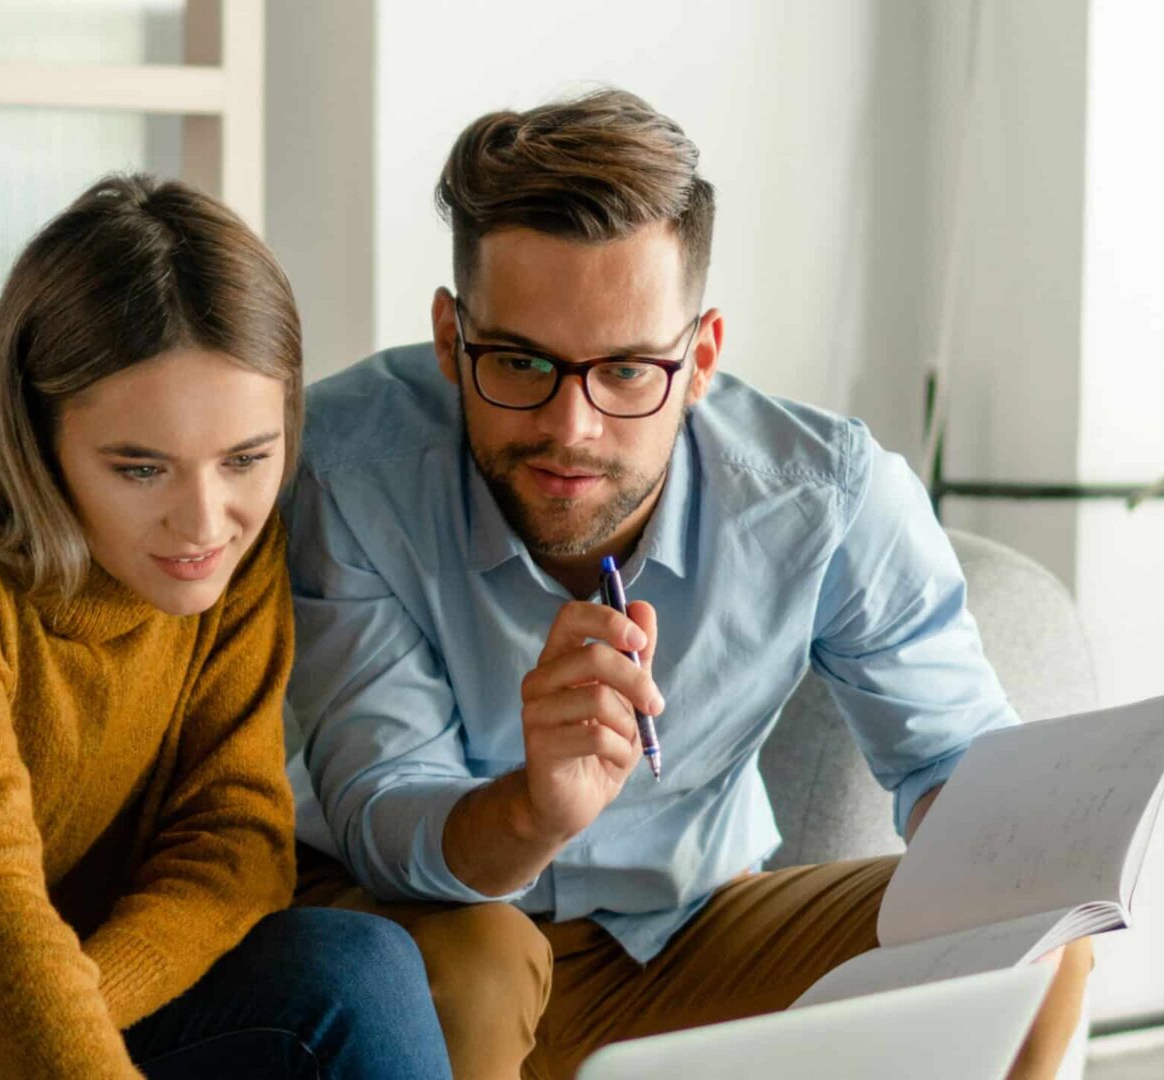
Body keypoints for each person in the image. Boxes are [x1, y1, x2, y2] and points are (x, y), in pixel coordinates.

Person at [284, 89, 1090, 1080]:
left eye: (627, 371)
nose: (573, 427)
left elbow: (958, 760)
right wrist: (538, 807)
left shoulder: (828, 495)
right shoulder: (344, 471)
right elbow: (382, 813)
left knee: (1038, 935)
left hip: (689, 933)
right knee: (478, 968)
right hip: (428, 926)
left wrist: (1033, 837)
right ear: (453, 341)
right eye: (522, 361)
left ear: (700, 356)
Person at [0, 175, 450, 1080]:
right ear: (32, 429)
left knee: (353, 970)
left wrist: (88, 1000)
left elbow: (234, 843)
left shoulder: (227, 553)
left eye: (247, 459)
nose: (204, 520)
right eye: (140, 469)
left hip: (38, 988)